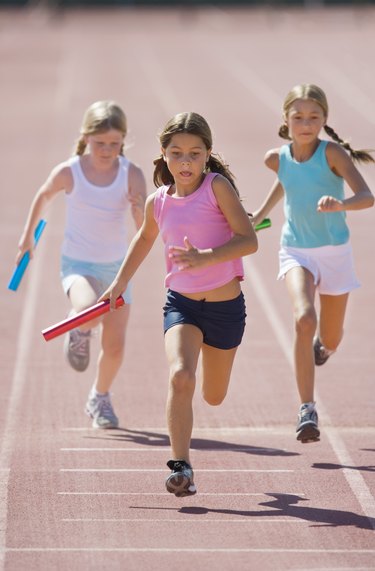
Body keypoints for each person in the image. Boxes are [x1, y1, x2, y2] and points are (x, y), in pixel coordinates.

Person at [99, 112, 258, 496]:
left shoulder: (217, 187)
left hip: (224, 308)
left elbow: (249, 240)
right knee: (181, 375)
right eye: (176, 153)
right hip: (182, 305)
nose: (185, 162)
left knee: (213, 396)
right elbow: (142, 241)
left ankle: (200, 418)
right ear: (163, 155)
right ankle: (181, 465)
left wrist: (207, 256)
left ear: (207, 155)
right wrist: (117, 284)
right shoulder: (159, 201)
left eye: (194, 153)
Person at [251, 84, 374, 444]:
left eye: (313, 117)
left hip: (335, 253)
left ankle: (325, 347)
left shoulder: (332, 153)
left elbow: (366, 196)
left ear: (324, 120)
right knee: (304, 318)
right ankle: (307, 408)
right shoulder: (277, 157)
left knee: (330, 336)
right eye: (298, 116)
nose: (305, 123)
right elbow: (285, 183)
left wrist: (341, 205)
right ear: (286, 119)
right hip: (296, 251)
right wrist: (258, 215)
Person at [15, 100, 147, 429]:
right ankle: (79, 328)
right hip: (79, 265)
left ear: (123, 141)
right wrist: (27, 237)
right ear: (86, 137)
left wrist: (137, 208)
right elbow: (44, 195)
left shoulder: (132, 174)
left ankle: (99, 397)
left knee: (115, 346)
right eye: (100, 143)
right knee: (89, 307)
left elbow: (145, 228)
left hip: (119, 269)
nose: (107, 150)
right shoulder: (70, 171)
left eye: (114, 144)